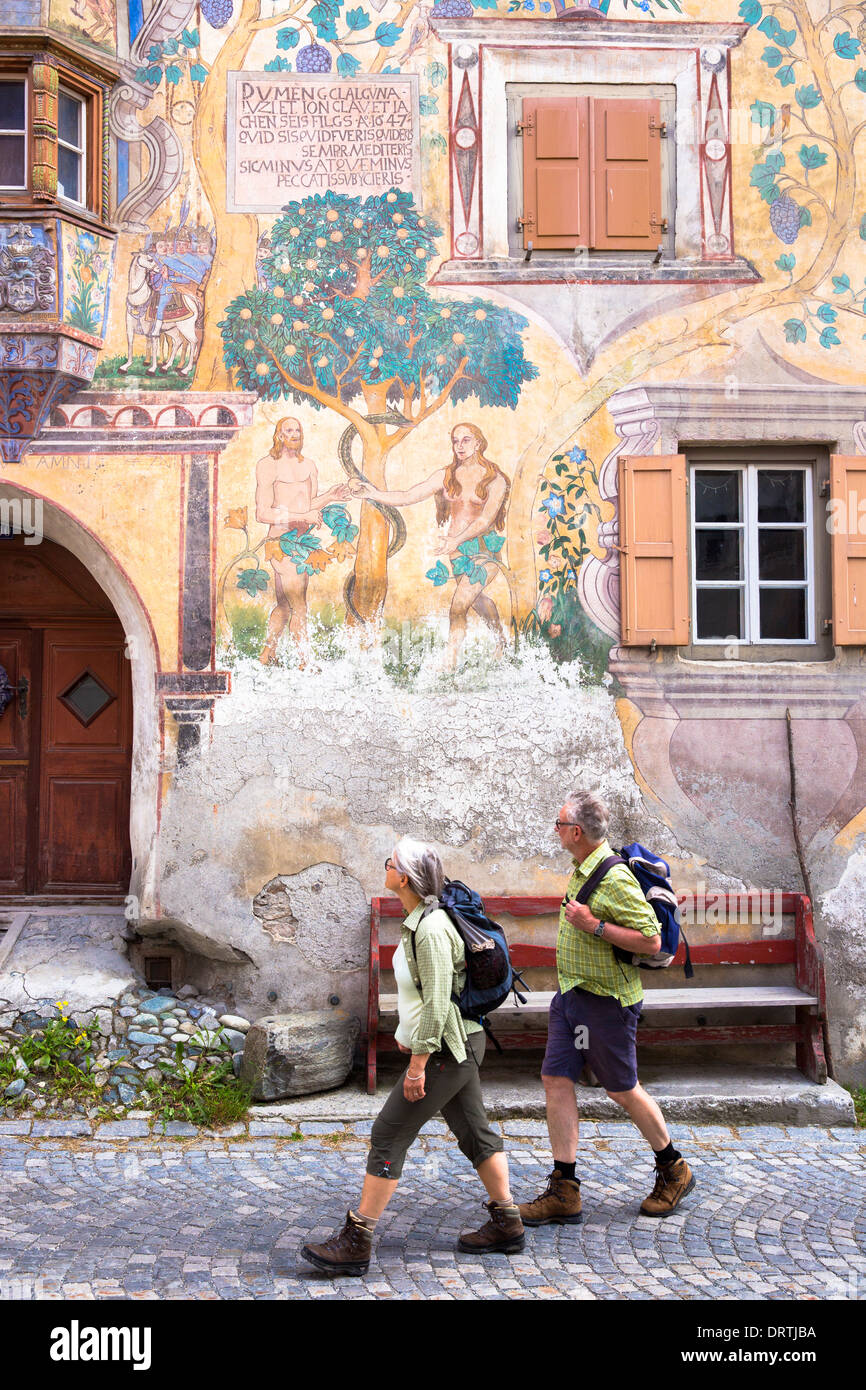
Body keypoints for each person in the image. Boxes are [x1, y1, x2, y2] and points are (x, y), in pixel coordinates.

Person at [300, 837, 525, 1276]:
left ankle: (357, 1239)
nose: (384, 866)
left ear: (402, 878)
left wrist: (417, 1065)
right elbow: (423, 996)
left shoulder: (432, 928)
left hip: (447, 1049)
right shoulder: (418, 919)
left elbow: (440, 1005)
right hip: (454, 1043)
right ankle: (508, 1223)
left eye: (390, 863)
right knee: (474, 1132)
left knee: (388, 1132)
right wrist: (409, 1032)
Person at [518, 790, 696, 1225]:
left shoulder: (613, 878)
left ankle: (674, 1169)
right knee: (556, 1079)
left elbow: (652, 939)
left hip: (607, 1003)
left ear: (575, 832)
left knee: (621, 1088)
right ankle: (565, 1188)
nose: (556, 831)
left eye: (559, 824)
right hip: (572, 998)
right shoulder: (584, 867)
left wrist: (593, 925)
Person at [348, 422, 509, 669]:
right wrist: (372, 493)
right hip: (456, 555)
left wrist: (456, 539)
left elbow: (486, 519)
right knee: (475, 600)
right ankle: (501, 640)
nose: (460, 446)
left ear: (478, 443)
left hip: (484, 552)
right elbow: (408, 495)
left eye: (466, 440)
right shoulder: (446, 475)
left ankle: (450, 660)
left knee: (458, 605)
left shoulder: (494, 479)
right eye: (455, 441)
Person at [255, 416, 349, 660]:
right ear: (279, 435)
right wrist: (303, 515)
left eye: (298, 429)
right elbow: (263, 513)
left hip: (303, 543)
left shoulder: (308, 465)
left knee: (286, 606)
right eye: (289, 430)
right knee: (300, 605)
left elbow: (308, 506)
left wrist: (330, 495)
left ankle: (267, 654)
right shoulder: (268, 465)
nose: (295, 434)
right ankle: (305, 660)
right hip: (282, 544)